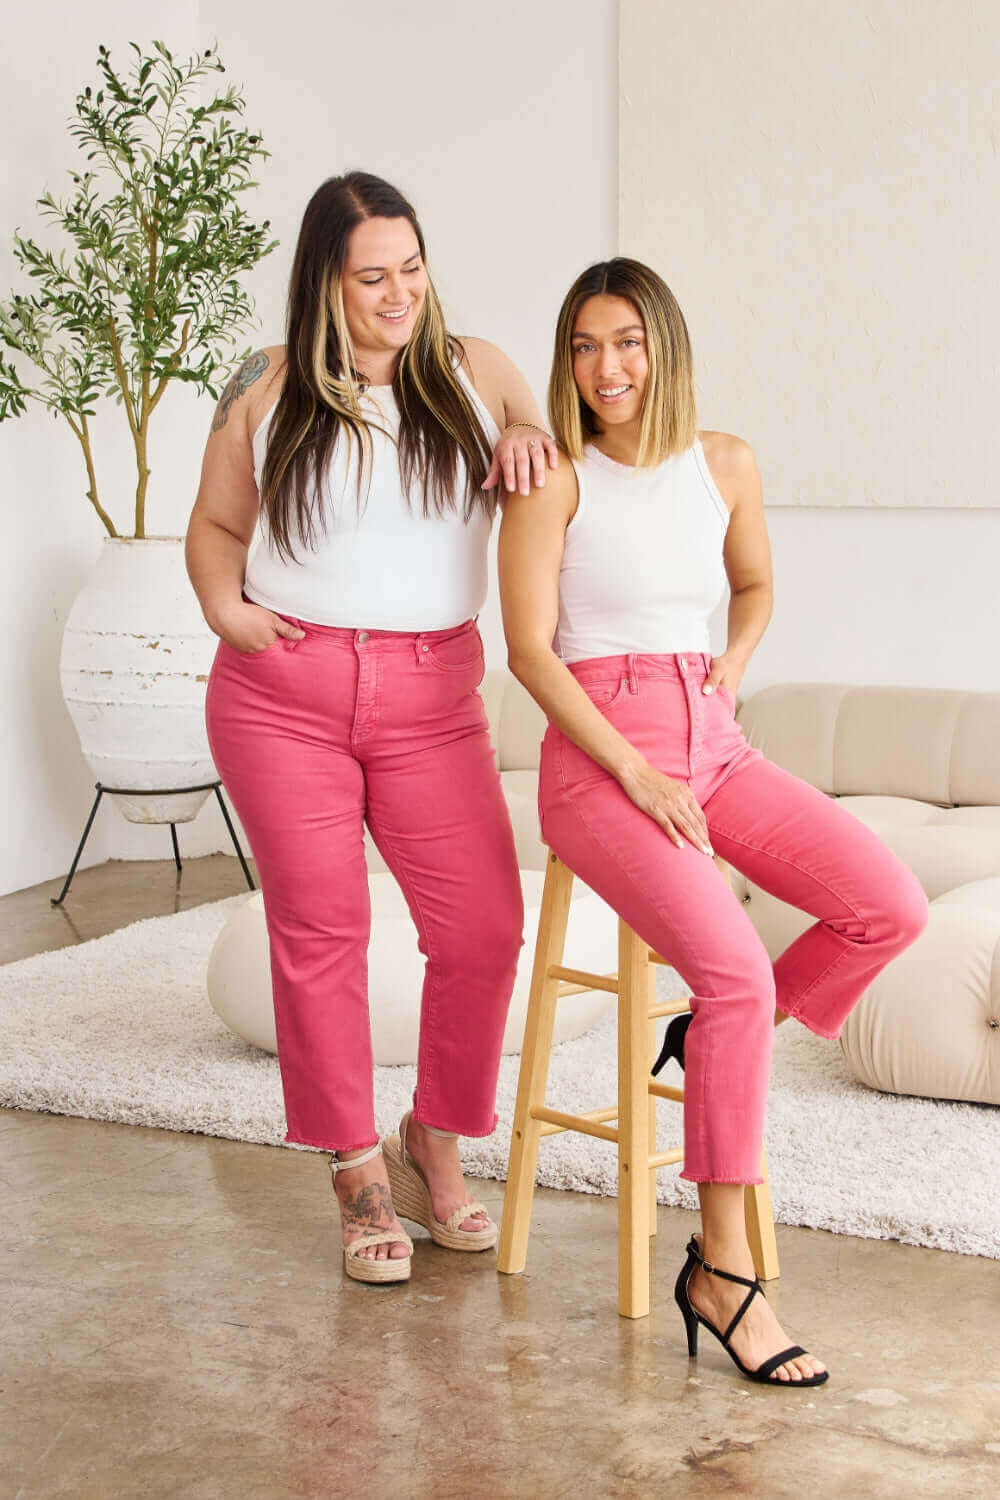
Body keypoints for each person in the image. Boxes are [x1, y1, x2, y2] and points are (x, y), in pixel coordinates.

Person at [498, 257, 928, 1382]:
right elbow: (530, 652)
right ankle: (725, 1275)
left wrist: (729, 670)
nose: (606, 367)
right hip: (599, 758)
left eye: (627, 342)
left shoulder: (723, 463)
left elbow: (752, 587)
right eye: (586, 346)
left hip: (709, 731)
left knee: (886, 905)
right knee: (734, 971)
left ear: (664, 346)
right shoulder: (555, 477)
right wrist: (634, 773)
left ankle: (715, 1045)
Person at [185, 171, 558, 1285]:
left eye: (411, 267)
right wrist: (224, 609)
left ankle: (428, 1142)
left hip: (433, 697)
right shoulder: (265, 382)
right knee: (321, 931)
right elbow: (213, 525)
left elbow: (534, 430)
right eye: (370, 277)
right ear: (323, 283)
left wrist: (534, 432)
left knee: (486, 926)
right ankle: (354, 1173)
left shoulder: (474, 370)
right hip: (280, 693)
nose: (399, 294)